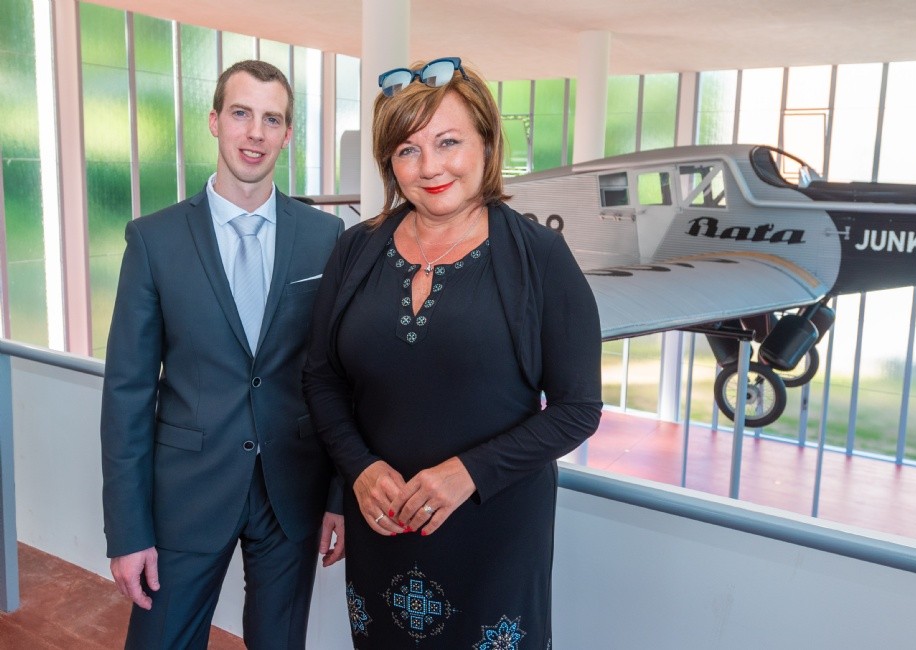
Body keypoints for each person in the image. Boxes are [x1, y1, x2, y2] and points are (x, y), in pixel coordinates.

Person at [303, 57, 602, 648]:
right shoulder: (355, 251)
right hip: (383, 526)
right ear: (389, 162)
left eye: (448, 142)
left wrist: (468, 473)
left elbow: (577, 410)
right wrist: (359, 470)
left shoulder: (541, 257)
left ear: (486, 144)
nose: (430, 167)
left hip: (494, 533)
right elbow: (322, 378)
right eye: (408, 150)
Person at [101, 59, 345, 649]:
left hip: (291, 493)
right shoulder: (153, 239)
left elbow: (336, 376)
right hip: (187, 494)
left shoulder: (325, 237)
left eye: (272, 119)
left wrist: (339, 496)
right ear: (214, 121)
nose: (255, 133)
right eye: (241, 114)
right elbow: (128, 393)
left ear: (288, 134)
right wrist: (128, 531)